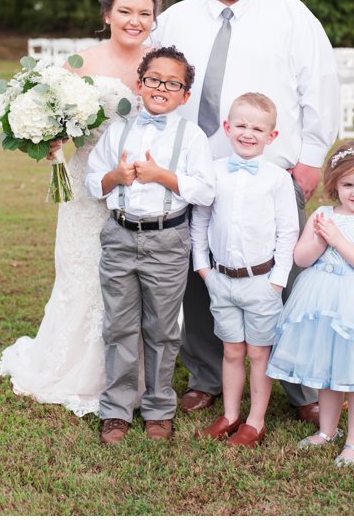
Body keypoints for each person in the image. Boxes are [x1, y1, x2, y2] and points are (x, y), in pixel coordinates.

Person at [152, 0, 340, 423]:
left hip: (271, 172)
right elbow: (150, 81)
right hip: (192, 169)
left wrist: (311, 158)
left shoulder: (290, 14)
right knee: (199, 275)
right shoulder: (176, 18)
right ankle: (206, 375)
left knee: (285, 274)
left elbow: (320, 86)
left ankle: (300, 387)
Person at [0, 0, 155, 416]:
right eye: (126, 11)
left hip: (144, 185)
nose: (135, 21)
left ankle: (132, 373)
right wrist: (46, 138)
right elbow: (57, 117)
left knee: (135, 278)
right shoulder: (80, 63)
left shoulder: (160, 60)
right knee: (83, 270)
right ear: (107, 15)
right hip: (89, 184)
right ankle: (79, 372)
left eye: (145, 13)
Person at [85, 46, 215, 443]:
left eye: (172, 84)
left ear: (184, 95)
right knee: (119, 326)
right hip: (120, 236)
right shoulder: (118, 131)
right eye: (154, 80)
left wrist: (163, 176)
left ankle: (159, 408)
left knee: (161, 329)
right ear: (140, 84)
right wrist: (116, 177)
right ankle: (117, 409)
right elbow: (93, 182)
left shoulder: (191, 136)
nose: (161, 88)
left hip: (167, 240)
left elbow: (206, 191)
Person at [267, 140, 354, 466]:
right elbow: (301, 258)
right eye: (348, 185)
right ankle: (327, 431)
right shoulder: (322, 215)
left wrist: (338, 240)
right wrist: (320, 238)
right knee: (327, 374)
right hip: (321, 303)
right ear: (335, 185)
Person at [190, 93, 298, 448]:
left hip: (261, 282)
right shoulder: (214, 171)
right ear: (227, 127)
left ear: (272, 136)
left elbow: (288, 232)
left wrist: (277, 281)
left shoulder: (277, 179)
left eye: (257, 128)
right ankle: (230, 414)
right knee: (232, 351)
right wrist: (203, 268)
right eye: (241, 125)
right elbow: (200, 220)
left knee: (257, 353)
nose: (248, 133)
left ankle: (255, 421)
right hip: (221, 279)